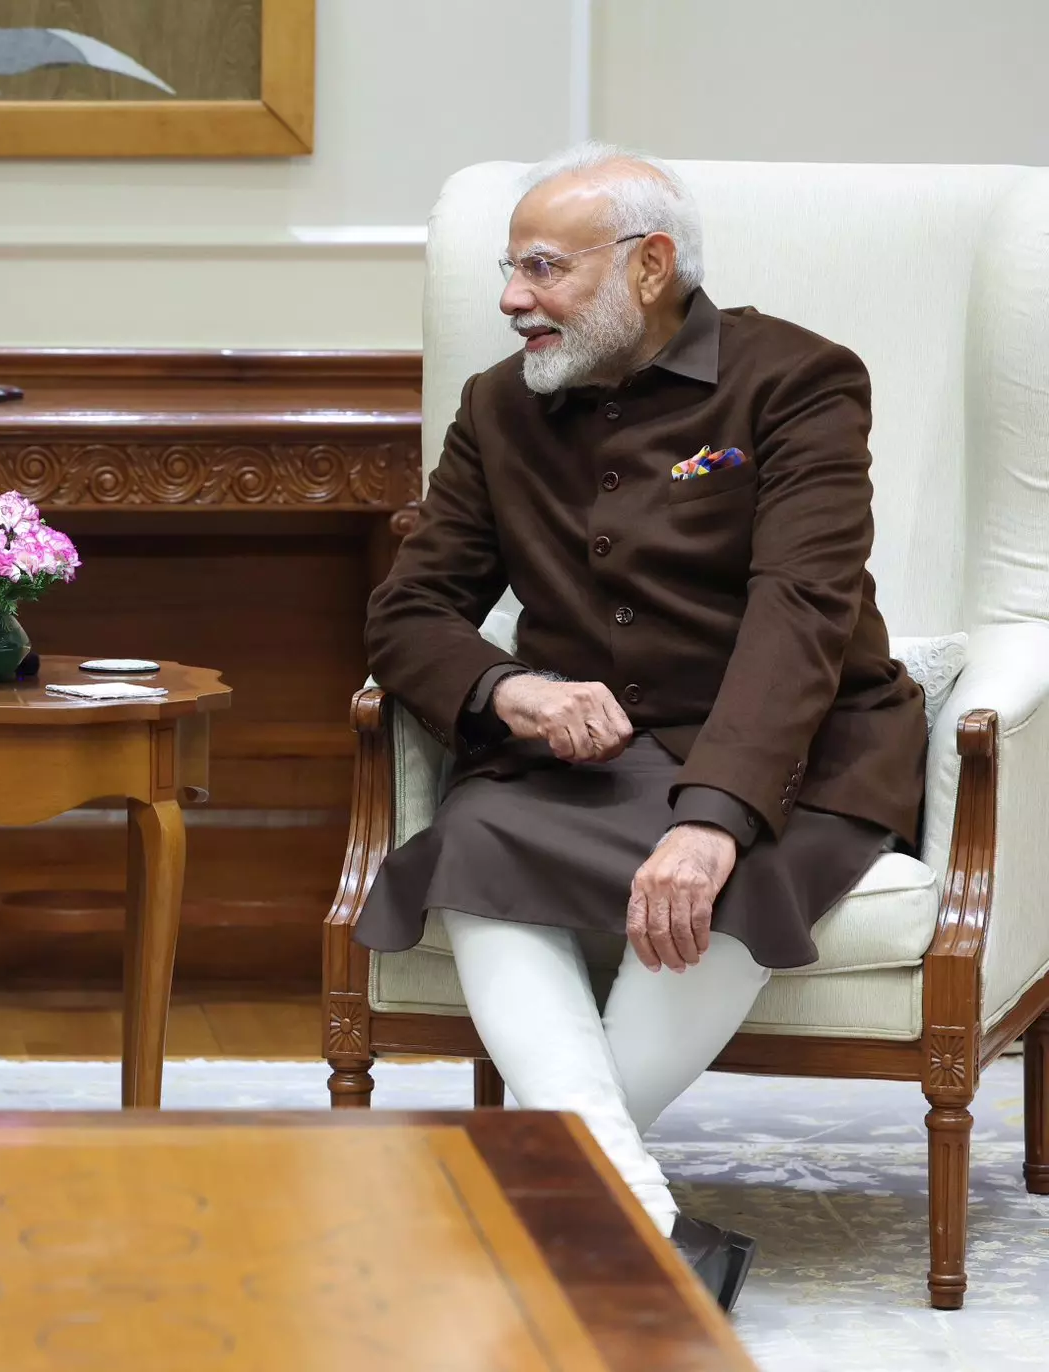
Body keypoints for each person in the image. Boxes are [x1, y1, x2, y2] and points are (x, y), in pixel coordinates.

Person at [356, 142, 925, 1311]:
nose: (510, 297)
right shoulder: (495, 408)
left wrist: (713, 815)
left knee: (727, 875)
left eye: (541, 268)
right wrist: (505, 690)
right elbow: (408, 610)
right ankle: (636, 1223)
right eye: (507, 269)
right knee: (471, 845)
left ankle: (545, 1202)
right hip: (586, 752)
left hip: (792, 740)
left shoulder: (798, 381)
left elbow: (798, 612)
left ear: (648, 264)